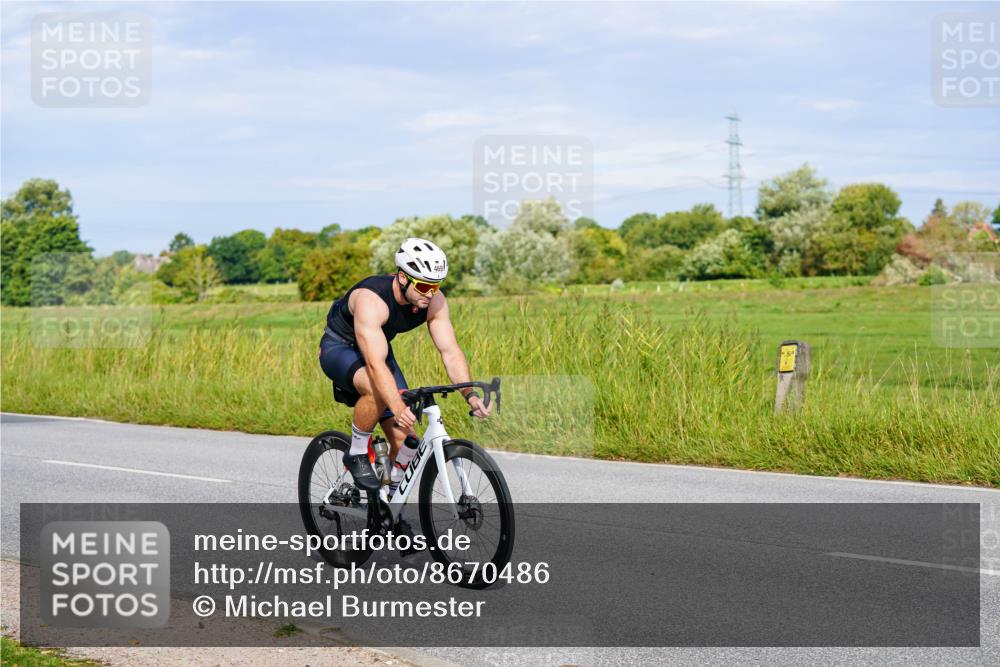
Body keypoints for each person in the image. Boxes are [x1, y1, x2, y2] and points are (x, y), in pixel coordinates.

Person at [318, 237, 492, 498]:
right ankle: (355, 452)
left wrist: (470, 394)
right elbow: (375, 365)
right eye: (423, 285)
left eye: (436, 286)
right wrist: (397, 407)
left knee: (409, 445)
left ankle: (390, 510)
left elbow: (450, 350)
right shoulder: (371, 299)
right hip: (340, 347)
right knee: (377, 390)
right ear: (402, 278)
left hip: (378, 349)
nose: (430, 293)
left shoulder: (433, 300)